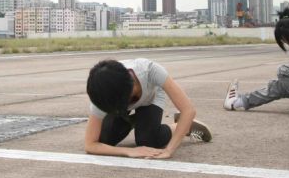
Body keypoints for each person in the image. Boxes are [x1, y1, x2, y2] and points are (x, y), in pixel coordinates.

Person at [84, 58, 212, 159]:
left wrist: (169, 150)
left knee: (148, 141)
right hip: (120, 102)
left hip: (152, 97)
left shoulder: (150, 71)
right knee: (105, 140)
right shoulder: (103, 93)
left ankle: (184, 126)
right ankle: (135, 121)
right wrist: (129, 151)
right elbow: (90, 144)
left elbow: (188, 110)